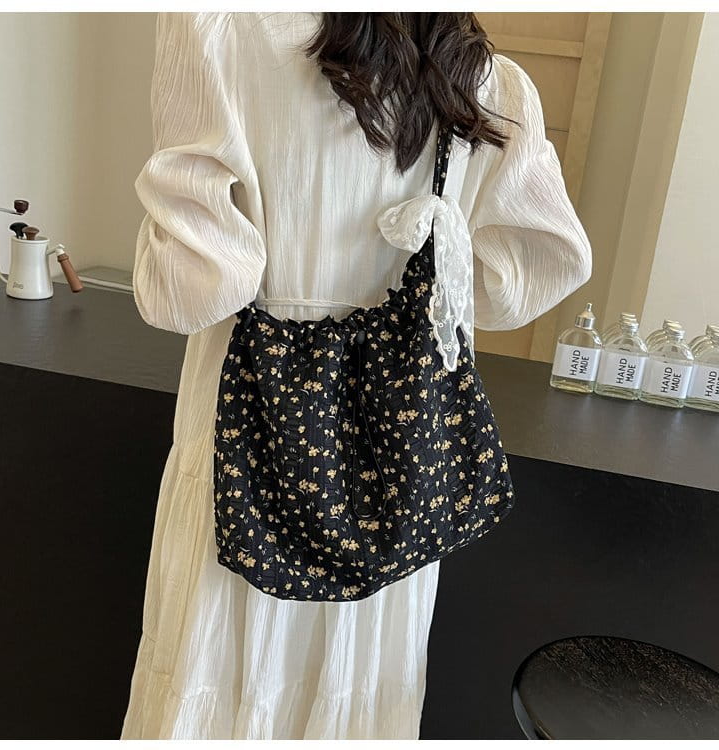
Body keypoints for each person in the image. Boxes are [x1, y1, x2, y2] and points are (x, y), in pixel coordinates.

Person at [121, 11, 592, 740]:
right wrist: (433, 259)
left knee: (219, 676)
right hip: (394, 464)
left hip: (248, 440)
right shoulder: (481, 77)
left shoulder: (220, 31)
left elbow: (190, 292)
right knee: (355, 698)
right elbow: (533, 273)